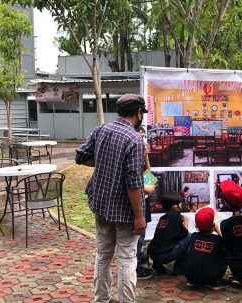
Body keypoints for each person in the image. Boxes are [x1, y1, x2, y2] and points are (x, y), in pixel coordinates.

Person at [75, 93, 148, 303]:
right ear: (138, 113)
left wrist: (105, 163)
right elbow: (133, 182)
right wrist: (139, 216)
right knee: (126, 259)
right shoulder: (134, 139)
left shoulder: (102, 129)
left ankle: (101, 299)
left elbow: (81, 156)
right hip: (125, 212)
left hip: (100, 204)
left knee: (103, 255)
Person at [184, 207, 230, 290]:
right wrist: (218, 229)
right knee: (226, 249)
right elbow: (228, 242)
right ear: (213, 226)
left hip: (189, 276)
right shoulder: (218, 240)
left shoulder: (194, 236)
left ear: (196, 225)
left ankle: (192, 281)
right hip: (210, 278)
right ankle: (217, 281)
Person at [147, 192, 191, 276]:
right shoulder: (176, 215)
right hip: (165, 256)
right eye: (180, 203)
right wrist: (186, 221)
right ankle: (179, 267)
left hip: (153, 255)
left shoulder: (163, 218)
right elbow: (184, 234)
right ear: (175, 207)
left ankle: (158, 265)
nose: (181, 205)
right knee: (189, 237)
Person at [136, 127, 156, 279]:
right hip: (137, 204)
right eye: (140, 135)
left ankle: (137, 263)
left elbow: (150, 179)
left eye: (144, 136)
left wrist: (146, 157)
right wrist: (147, 187)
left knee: (141, 237)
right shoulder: (131, 158)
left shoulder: (141, 158)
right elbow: (149, 188)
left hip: (144, 203)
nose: (143, 139)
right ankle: (136, 268)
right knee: (138, 237)